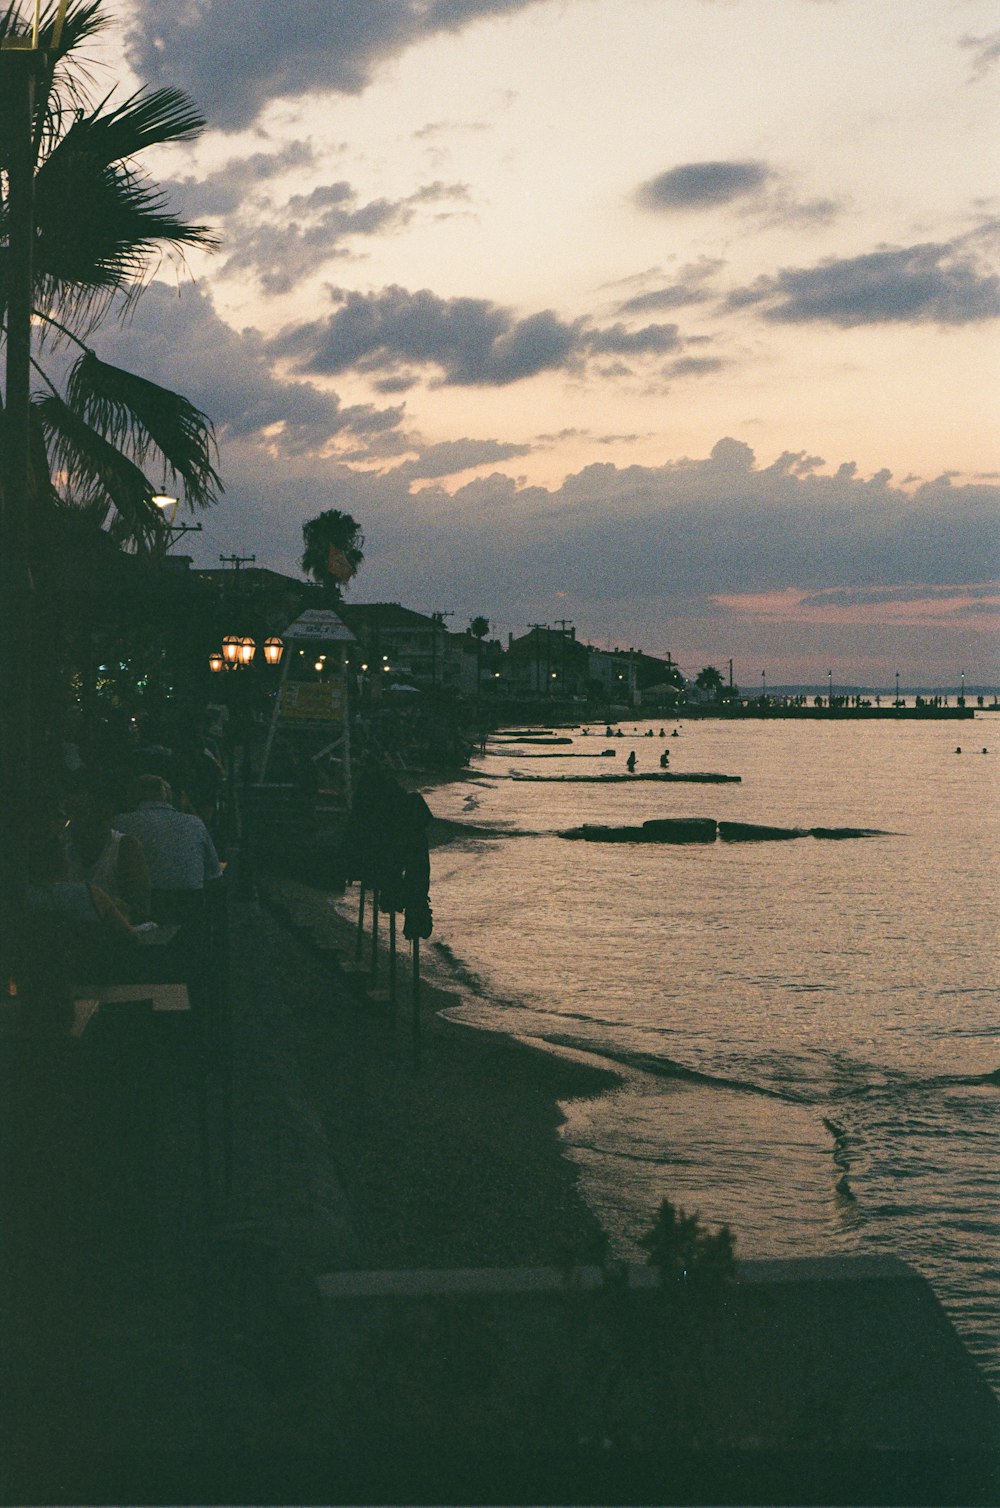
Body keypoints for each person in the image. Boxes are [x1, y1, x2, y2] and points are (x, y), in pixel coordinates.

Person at [116, 774, 222, 933]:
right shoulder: (195, 823)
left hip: (143, 910)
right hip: (189, 906)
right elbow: (214, 874)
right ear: (170, 797)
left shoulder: (120, 823)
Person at [65, 786, 150, 924]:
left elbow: (139, 911)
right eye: (68, 814)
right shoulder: (66, 849)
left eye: (80, 813)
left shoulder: (125, 847)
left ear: (102, 816)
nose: (71, 821)